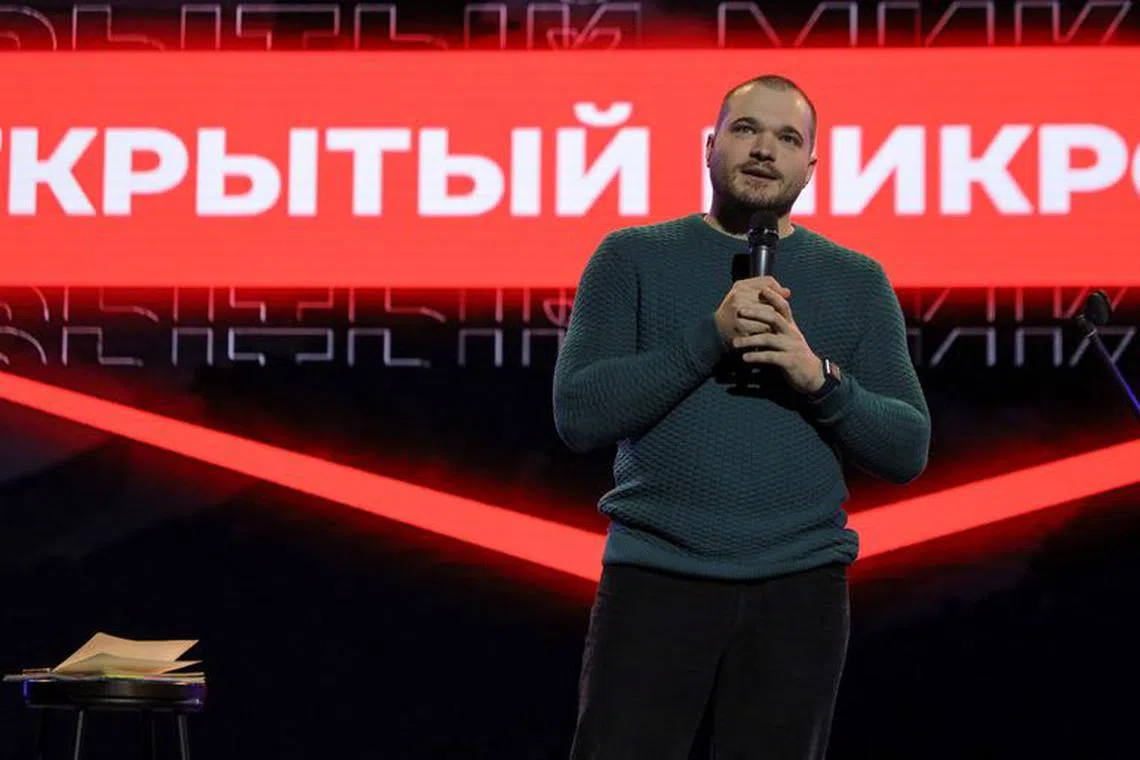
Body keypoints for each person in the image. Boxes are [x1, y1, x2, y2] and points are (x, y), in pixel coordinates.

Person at [552, 74, 932, 759]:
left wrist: (818, 379)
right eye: (746, 129)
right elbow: (578, 414)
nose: (764, 149)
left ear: (810, 166)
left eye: (787, 138)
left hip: (798, 591)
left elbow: (907, 448)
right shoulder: (631, 257)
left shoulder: (856, 280)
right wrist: (710, 338)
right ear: (710, 146)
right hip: (655, 579)